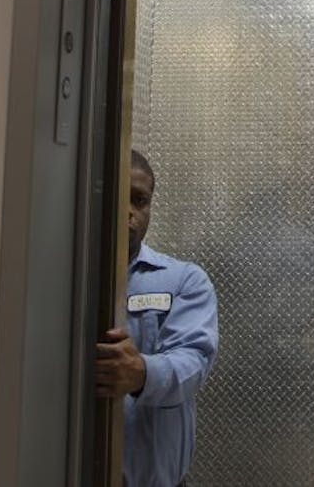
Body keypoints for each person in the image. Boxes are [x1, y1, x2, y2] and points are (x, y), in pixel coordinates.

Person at [97, 150, 219, 487]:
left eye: (140, 200)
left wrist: (140, 374)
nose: (130, 212)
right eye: (121, 196)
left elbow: (193, 362)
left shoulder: (183, 280)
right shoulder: (65, 278)